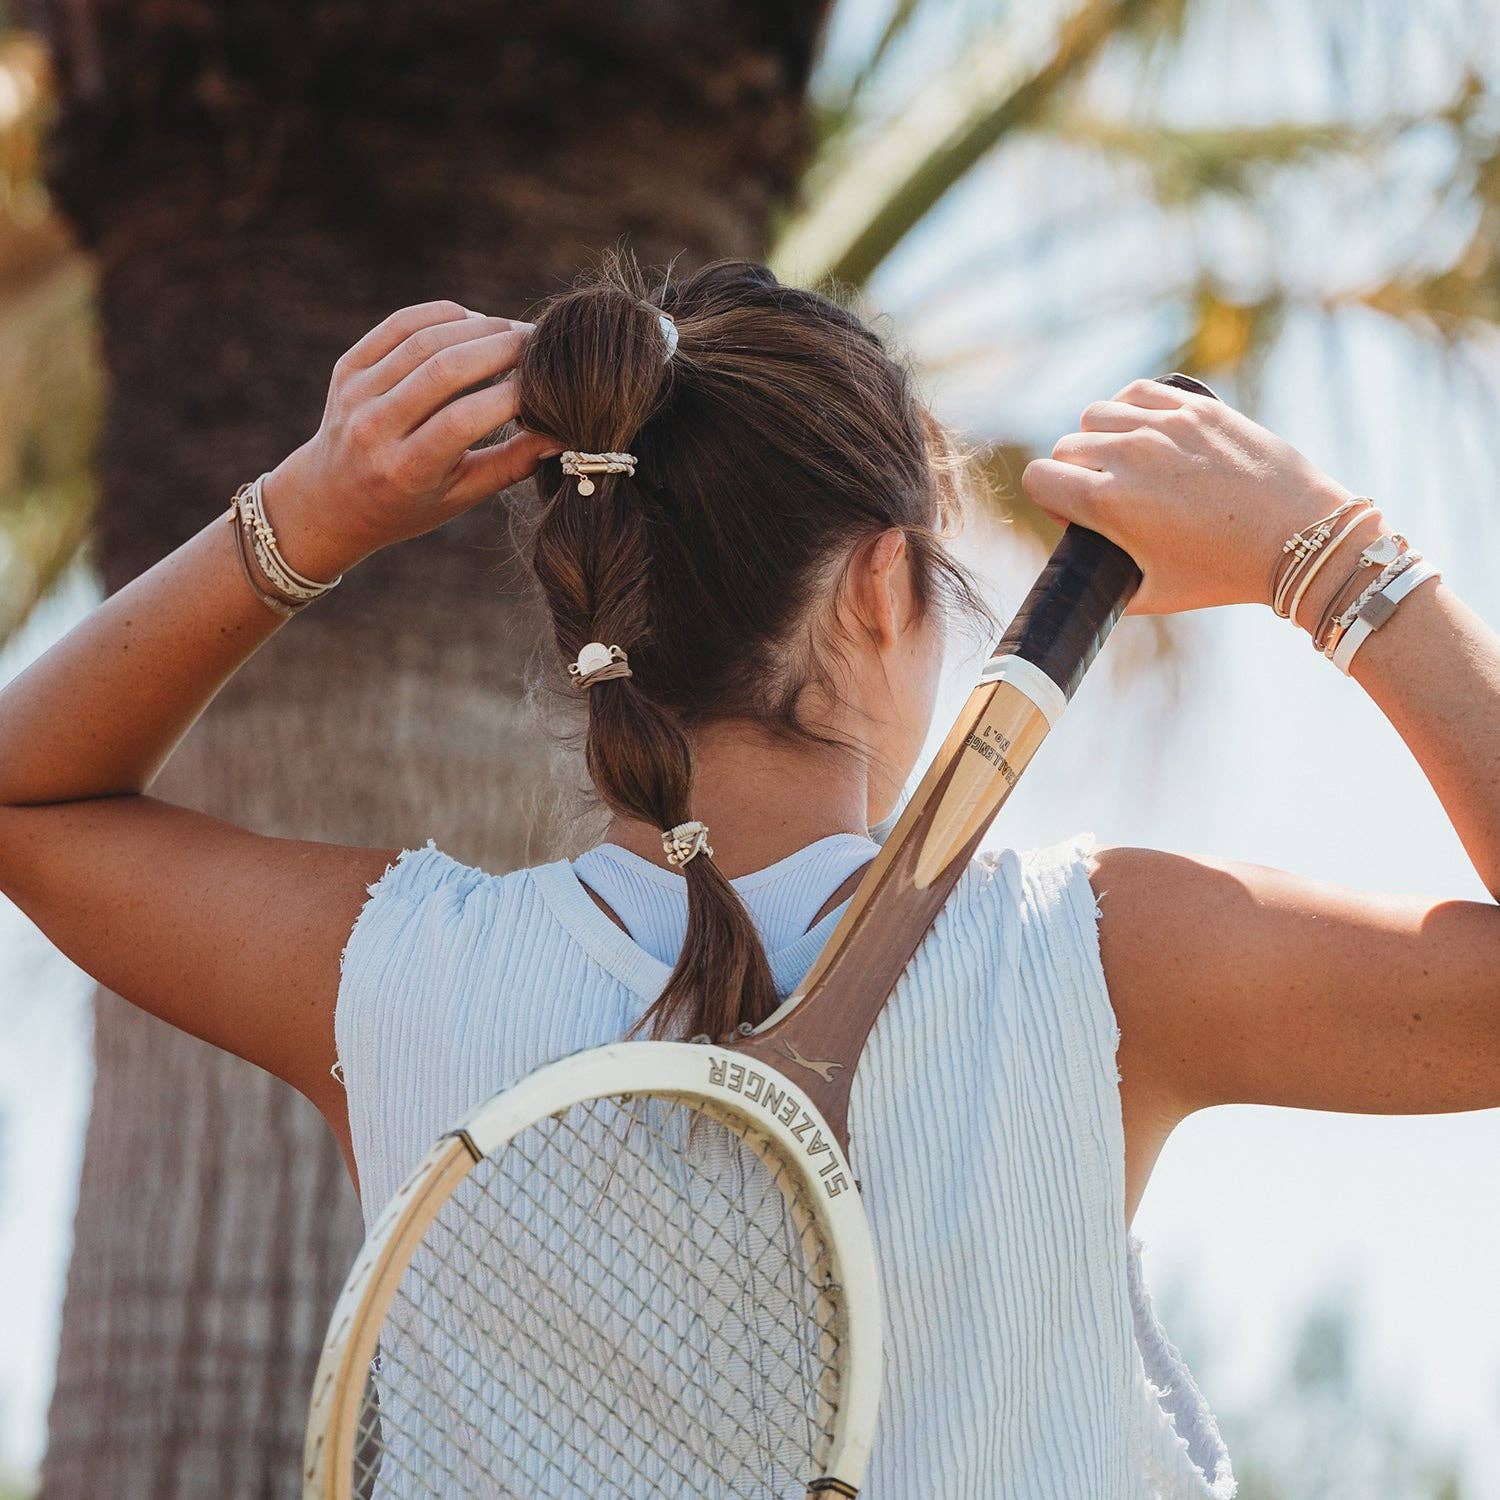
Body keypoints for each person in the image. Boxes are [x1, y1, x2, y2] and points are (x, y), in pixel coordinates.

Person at [1, 255, 1496, 1498]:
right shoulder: (1099, 960)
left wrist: (311, 516)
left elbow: (29, 794)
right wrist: (1336, 559)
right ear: (881, 588)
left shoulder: (399, 978)